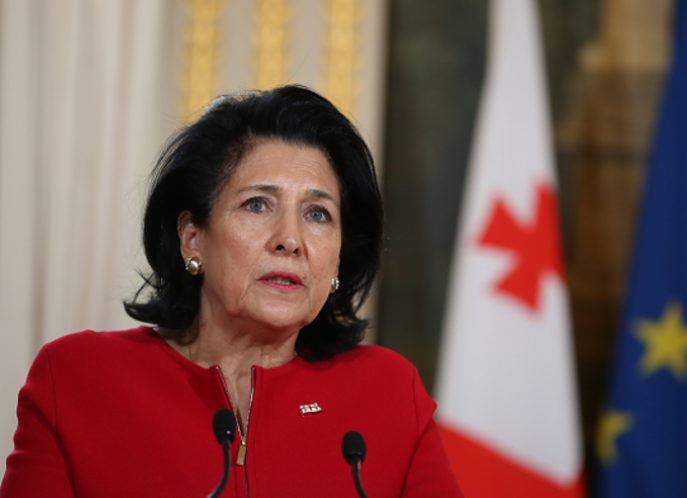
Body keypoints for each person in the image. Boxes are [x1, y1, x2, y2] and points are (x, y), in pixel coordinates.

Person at [0, 86, 464, 498]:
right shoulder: (77, 382)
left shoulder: (388, 394)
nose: (291, 239)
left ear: (339, 256)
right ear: (192, 238)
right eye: (257, 205)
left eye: (318, 214)